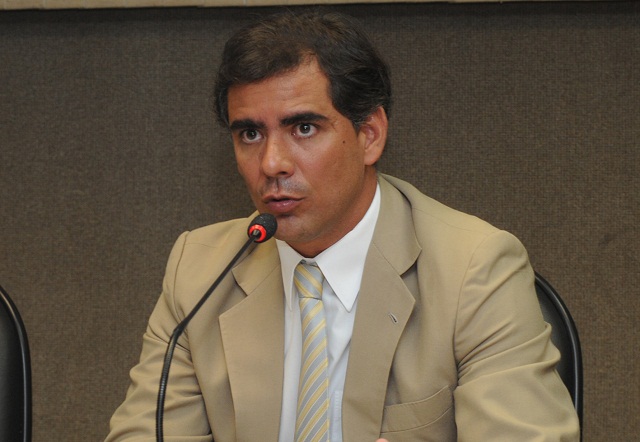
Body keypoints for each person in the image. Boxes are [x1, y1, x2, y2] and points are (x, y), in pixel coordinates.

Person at [106, 10, 580, 442]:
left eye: (303, 128)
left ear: (369, 135)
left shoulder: (475, 270)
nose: (271, 163)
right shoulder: (200, 270)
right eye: (250, 133)